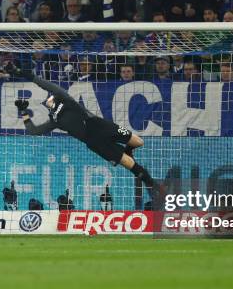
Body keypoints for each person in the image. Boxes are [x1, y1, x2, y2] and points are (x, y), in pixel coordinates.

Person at [14, 70, 156, 196]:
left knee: (138, 142)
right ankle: (153, 186)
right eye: (46, 100)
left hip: (99, 125)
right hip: (93, 141)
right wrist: (23, 112)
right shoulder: (54, 121)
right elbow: (34, 130)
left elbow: (47, 85)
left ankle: (128, 154)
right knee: (128, 163)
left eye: (49, 97)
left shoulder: (64, 98)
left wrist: (30, 76)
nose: (48, 99)